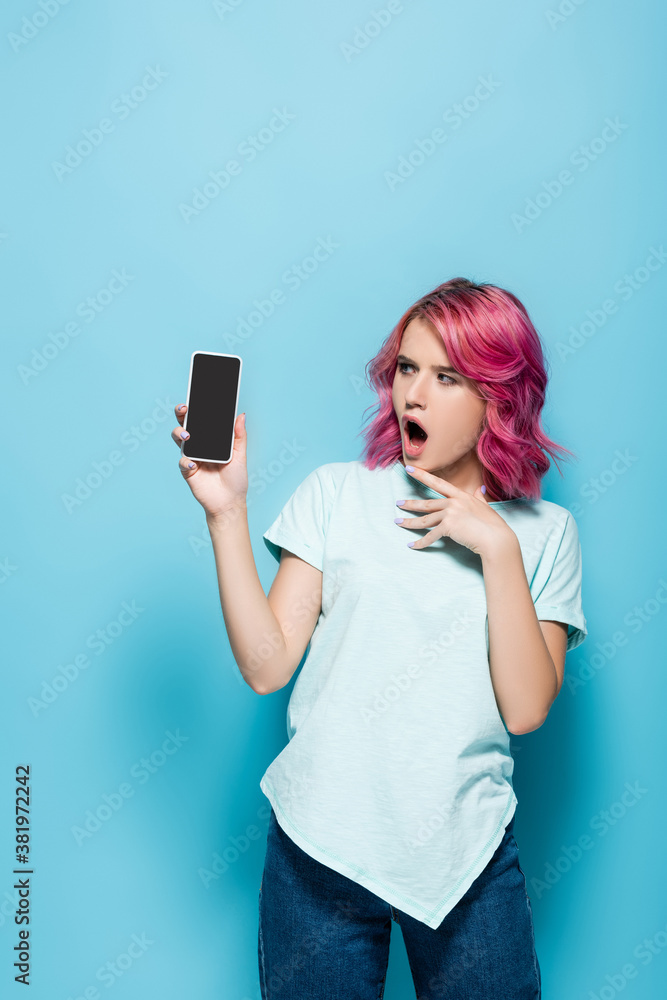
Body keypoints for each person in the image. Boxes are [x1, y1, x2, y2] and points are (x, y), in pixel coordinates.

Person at [171, 276, 587, 1000]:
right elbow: (268, 668)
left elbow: (524, 709)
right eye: (405, 368)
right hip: (318, 850)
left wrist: (495, 548)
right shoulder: (336, 495)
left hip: (469, 859)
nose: (412, 395)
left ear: (498, 395)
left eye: (446, 376)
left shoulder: (545, 536)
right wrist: (225, 513)